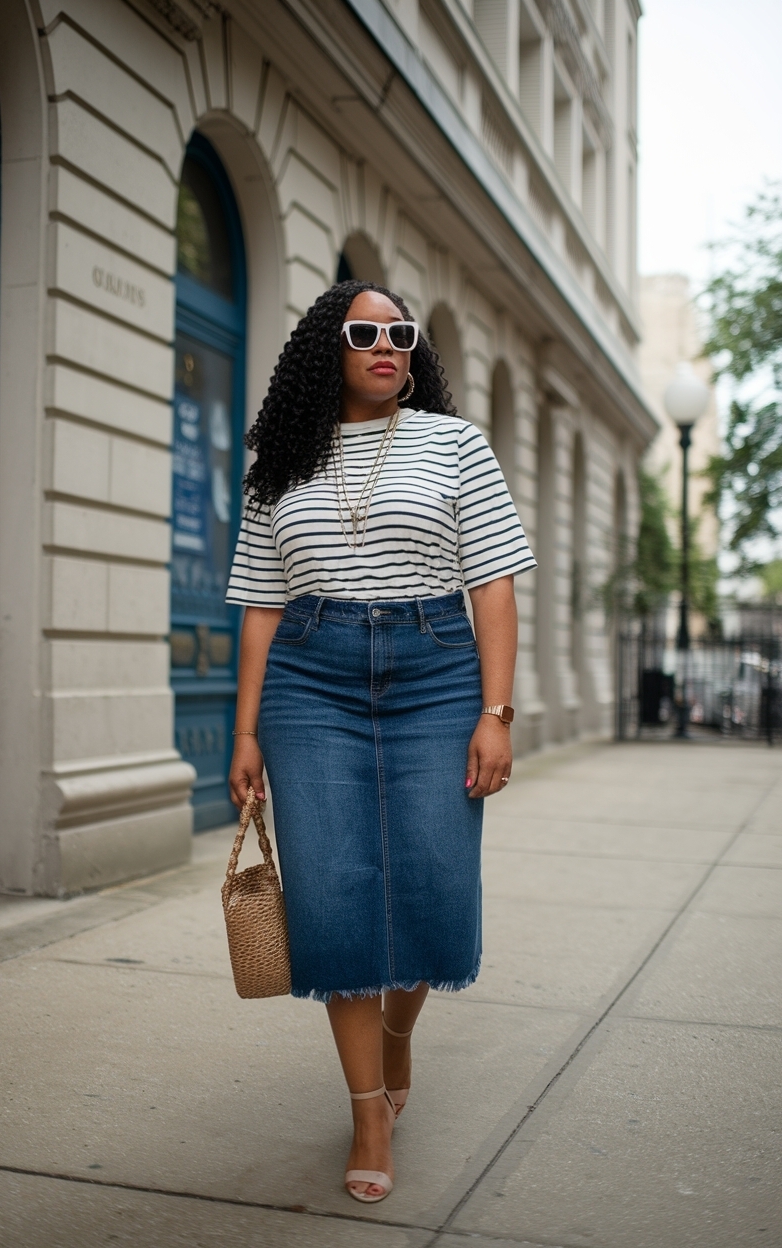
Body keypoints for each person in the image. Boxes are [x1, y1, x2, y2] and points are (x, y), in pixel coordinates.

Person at [226, 279, 536, 1204]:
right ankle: (368, 1113)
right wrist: (243, 731)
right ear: (329, 346)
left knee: (436, 881)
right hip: (310, 679)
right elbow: (259, 604)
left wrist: (497, 711)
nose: (387, 345)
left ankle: (400, 1035)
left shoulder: (455, 444)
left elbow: (494, 586)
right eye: (366, 332)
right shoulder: (279, 460)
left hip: (437, 671)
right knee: (335, 894)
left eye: (401, 333)